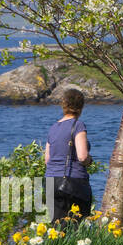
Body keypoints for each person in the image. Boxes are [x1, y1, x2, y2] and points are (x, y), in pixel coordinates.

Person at [44, 88, 93, 222]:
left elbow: (47, 159)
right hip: (72, 182)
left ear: (63, 105)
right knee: (76, 228)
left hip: (51, 181)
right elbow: (82, 156)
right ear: (81, 106)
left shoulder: (53, 127)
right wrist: (90, 160)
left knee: (56, 228)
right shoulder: (78, 125)